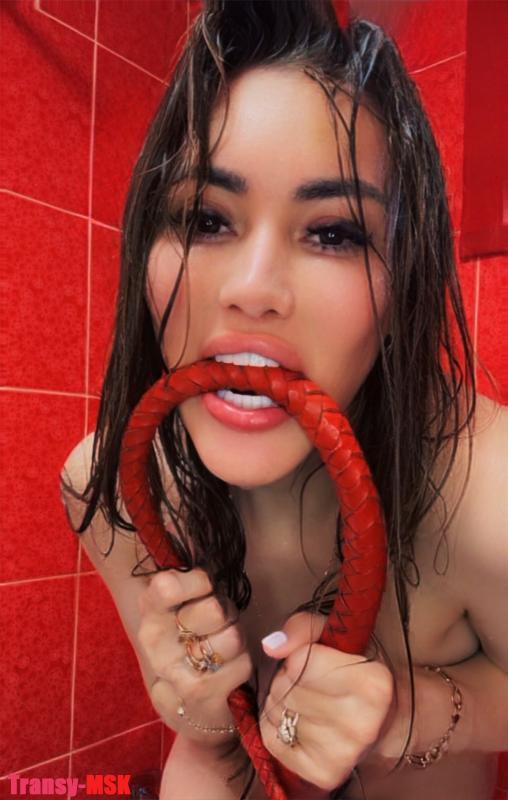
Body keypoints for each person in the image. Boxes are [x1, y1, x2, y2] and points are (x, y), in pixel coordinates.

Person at [60, 2, 508, 798]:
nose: (252, 288)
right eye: (205, 218)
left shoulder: (489, 494)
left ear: (400, 288)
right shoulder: (109, 488)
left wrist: (412, 710)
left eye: (334, 232)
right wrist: (195, 706)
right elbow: (204, 735)